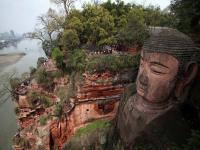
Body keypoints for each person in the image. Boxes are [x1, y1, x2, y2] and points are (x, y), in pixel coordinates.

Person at [117, 27, 200, 149]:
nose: (141, 79)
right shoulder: (128, 94)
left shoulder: (174, 133)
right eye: (141, 64)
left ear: (186, 76)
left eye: (156, 70)